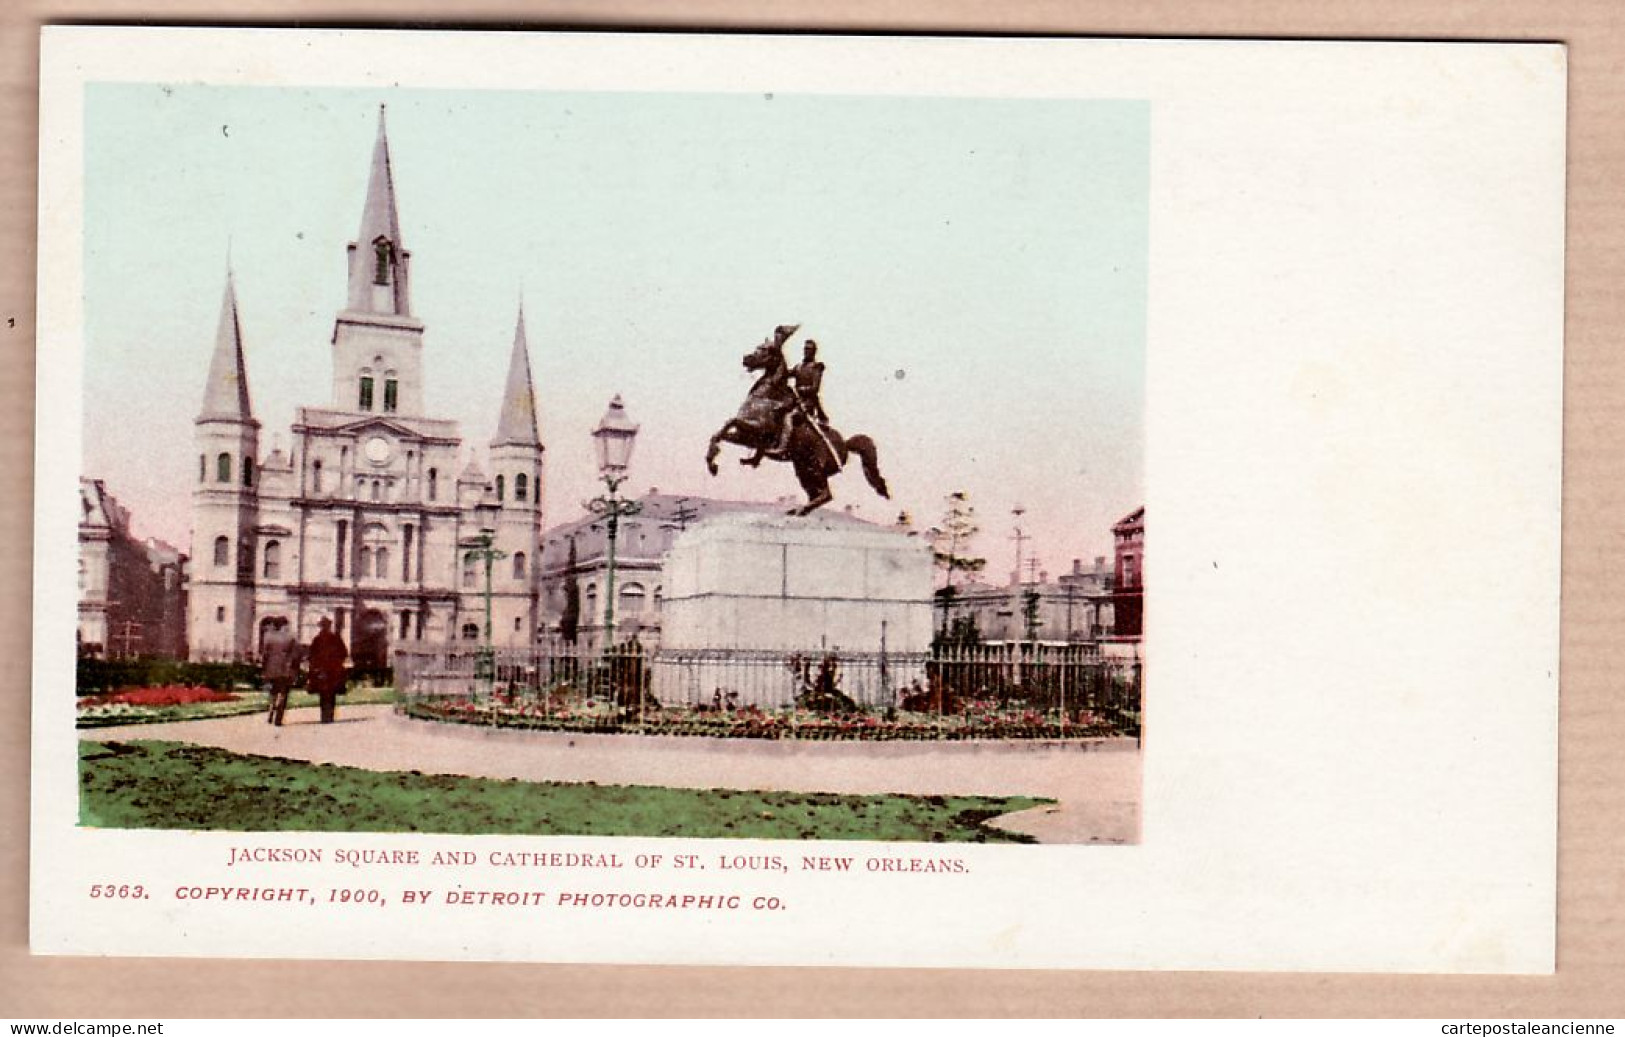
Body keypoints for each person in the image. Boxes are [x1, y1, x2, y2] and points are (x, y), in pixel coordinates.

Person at [770, 339, 827, 457]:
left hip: (807, 403)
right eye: (805, 349)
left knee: (789, 417)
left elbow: (815, 388)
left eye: (809, 349)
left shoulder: (816, 367)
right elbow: (785, 374)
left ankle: (782, 447)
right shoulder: (799, 367)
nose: (807, 352)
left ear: (814, 352)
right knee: (775, 411)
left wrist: (800, 389)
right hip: (795, 401)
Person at [307, 616, 349, 724]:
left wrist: (314, 667)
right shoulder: (336, 638)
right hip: (334, 670)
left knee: (323, 693)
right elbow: (344, 653)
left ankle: (324, 716)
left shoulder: (317, 639)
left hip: (321, 670)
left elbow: (311, 655)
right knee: (332, 693)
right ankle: (330, 715)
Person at [260, 619, 300, 727]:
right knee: (283, 693)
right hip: (285, 670)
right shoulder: (291, 638)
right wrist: (295, 671)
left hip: (271, 669)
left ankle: (271, 710)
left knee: (273, 692)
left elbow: (265, 655)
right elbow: (295, 656)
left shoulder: (268, 637)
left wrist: (264, 669)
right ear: (284, 626)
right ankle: (278, 718)